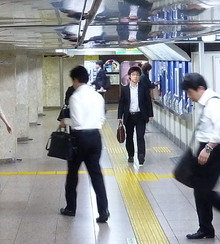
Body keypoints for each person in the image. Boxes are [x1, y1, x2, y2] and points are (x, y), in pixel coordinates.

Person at [181, 72, 220, 239]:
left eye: (190, 92)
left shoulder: (215, 104)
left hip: (215, 151)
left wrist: (208, 149)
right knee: (199, 190)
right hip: (206, 149)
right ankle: (205, 228)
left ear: (200, 88)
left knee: (204, 191)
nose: (189, 96)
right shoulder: (206, 103)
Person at [60, 65, 111, 223]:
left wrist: (64, 121)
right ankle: (103, 210)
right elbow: (102, 118)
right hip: (95, 137)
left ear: (75, 80)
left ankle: (71, 207)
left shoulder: (75, 97)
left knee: (73, 173)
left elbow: (77, 121)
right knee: (96, 175)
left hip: (79, 138)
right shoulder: (97, 96)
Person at [116, 65, 153, 168]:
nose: (135, 77)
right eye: (133, 75)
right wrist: (120, 116)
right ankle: (131, 155)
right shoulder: (125, 89)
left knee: (140, 136)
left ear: (139, 76)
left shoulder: (143, 88)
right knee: (129, 137)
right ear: (129, 76)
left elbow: (148, 101)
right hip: (129, 116)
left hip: (141, 116)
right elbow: (121, 103)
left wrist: (150, 114)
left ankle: (141, 156)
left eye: (137, 75)